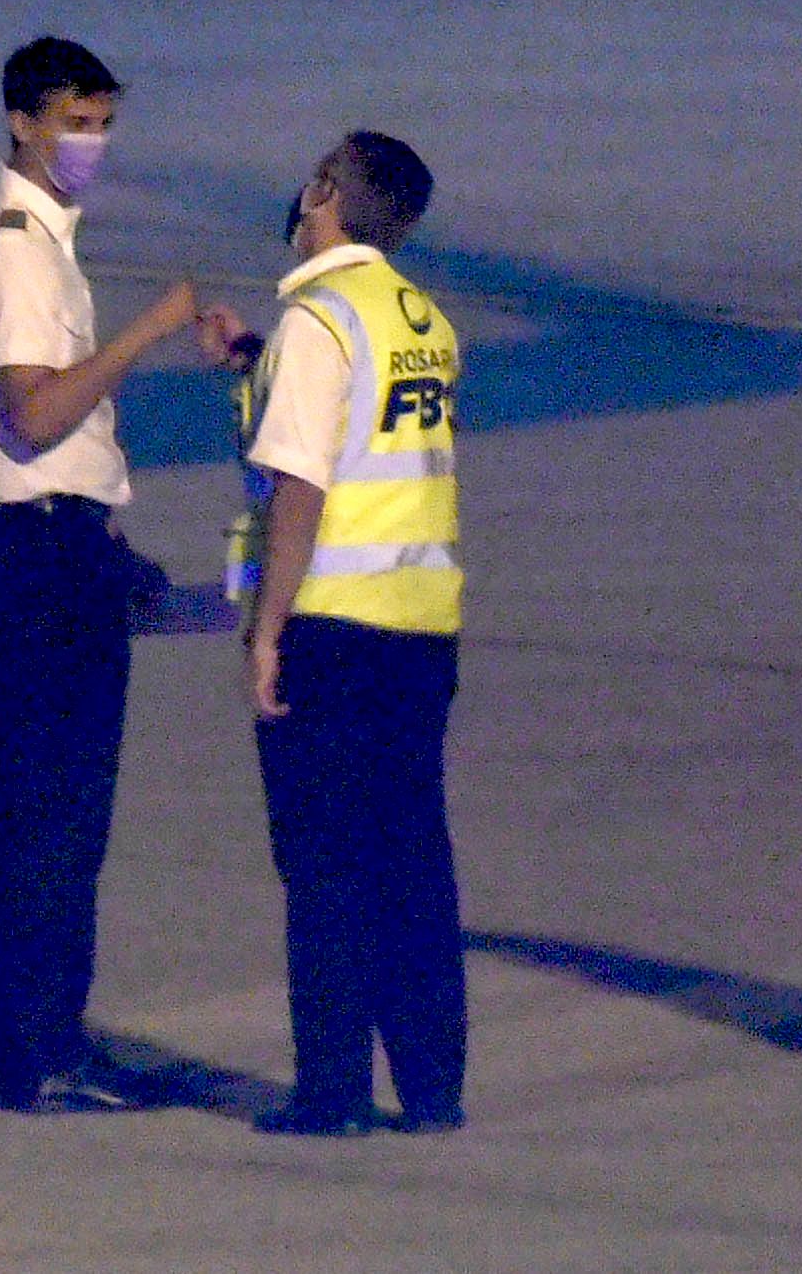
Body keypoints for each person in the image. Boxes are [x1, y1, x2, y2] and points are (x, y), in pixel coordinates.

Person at [0, 36, 200, 1113]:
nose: (91, 143)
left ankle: (45, 1041)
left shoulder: (37, 243)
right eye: (74, 123)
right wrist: (148, 330)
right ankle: (33, 1050)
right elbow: (36, 411)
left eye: (102, 122)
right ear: (21, 123)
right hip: (36, 548)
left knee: (63, 811)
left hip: (57, 547)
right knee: (49, 811)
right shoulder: (16, 254)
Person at [199, 132, 468, 1137]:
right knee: (411, 858)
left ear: (324, 193)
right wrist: (250, 363)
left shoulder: (316, 318)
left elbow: (303, 485)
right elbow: (365, 432)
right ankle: (432, 1084)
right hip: (420, 624)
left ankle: (332, 1089)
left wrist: (268, 629)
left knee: (320, 863)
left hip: (332, 628)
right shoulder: (418, 317)